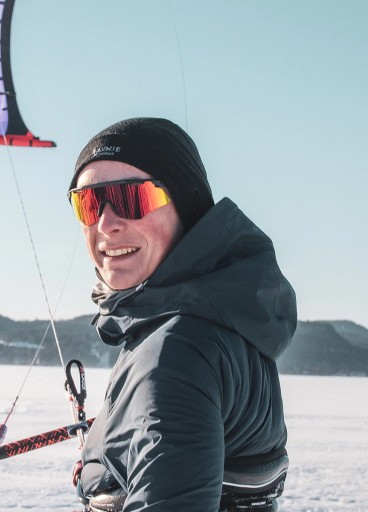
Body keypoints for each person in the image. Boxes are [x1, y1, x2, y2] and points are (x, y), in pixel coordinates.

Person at [67, 117, 297, 511]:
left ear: (187, 210)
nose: (106, 223)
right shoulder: (222, 321)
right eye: (87, 203)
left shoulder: (173, 355)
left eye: (131, 198)